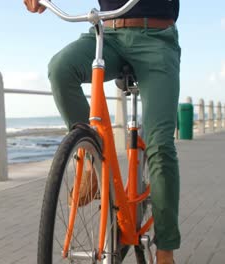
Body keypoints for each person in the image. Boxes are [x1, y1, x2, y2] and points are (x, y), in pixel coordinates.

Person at [23, 0, 181, 263]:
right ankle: (90, 162)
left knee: (160, 146)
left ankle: (165, 250)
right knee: (61, 68)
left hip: (157, 37)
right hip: (108, 34)